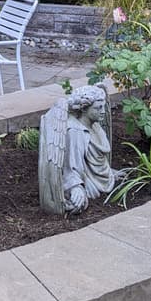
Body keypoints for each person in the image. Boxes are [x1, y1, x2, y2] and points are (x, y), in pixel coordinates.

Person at [38, 85, 117, 214]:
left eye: (103, 107)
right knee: (78, 203)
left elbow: (96, 160)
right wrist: (76, 187)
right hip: (89, 182)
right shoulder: (76, 132)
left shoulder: (95, 125)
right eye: (98, 108)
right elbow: (71, 166)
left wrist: (109, 172)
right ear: (84, 109)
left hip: (99, 178)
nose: (103, 111)